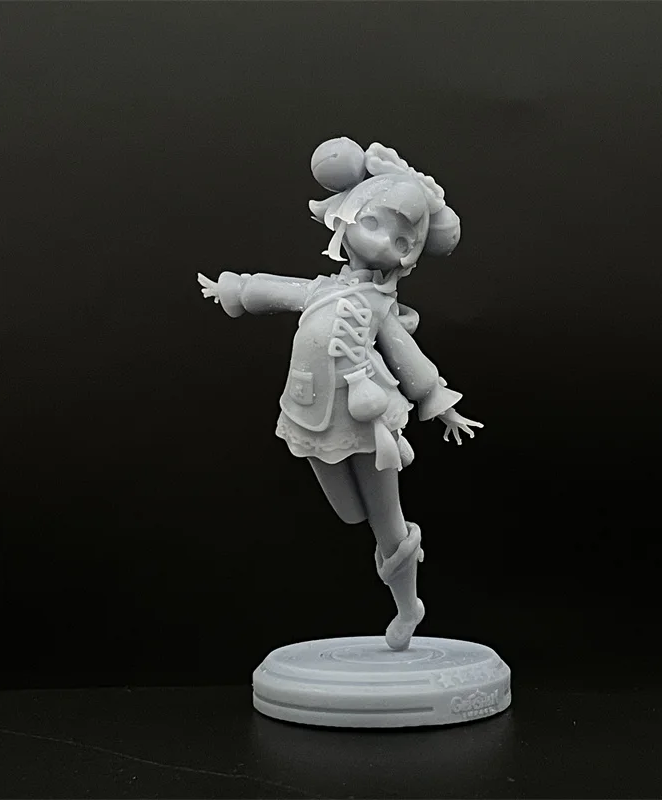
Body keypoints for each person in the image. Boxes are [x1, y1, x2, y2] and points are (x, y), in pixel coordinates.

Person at [198, 139, 482, 650]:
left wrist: (439, 400)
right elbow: (274, 289)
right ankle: (393, 562)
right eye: (372, 223)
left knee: (386, 519)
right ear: (345, 217)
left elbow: (407, 355)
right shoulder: (322, 289)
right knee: (350, 513)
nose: (384, 244)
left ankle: (408, 607)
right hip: (310, 414)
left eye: (403, 240)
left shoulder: (380, 307)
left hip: (371, 421)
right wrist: (233, 290)